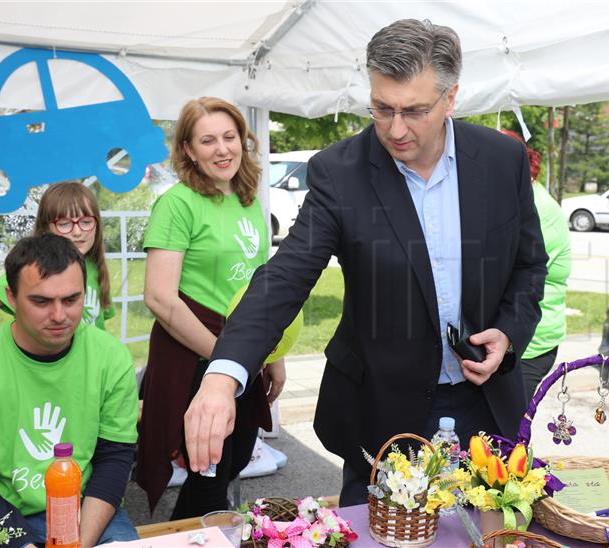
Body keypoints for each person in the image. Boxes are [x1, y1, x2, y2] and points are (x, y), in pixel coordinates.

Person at [184, 19, 549, 506]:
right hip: (380, 412)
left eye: (414, 111)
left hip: (484, 407)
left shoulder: (503, 160)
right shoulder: (340, 172)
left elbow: (529, 268)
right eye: (382, 108)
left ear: (451, 97)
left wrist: (507, 331)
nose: (395, 129)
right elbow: (285, 278)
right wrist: (223, 376)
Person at [0, 234, 139, 546]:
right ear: (11, 298)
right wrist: (24, 543)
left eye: (71, 300)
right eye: (41, 301)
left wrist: (78, 543)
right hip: (2, 514)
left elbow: (115, 459)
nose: (59, 316)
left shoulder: (111, 357)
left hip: (86, 510)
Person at [136, 97, 286, 517]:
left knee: (233, 460)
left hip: (241, 348)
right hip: (196, 353)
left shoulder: (247, 201)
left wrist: (273, 355)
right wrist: (227, 358)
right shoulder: (177, 204)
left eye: (229, 136)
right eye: (207, 140)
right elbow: (160, 297)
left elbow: (262, 287)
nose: (222, 149)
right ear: (188, 150)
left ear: (243, 140)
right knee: (208, 473)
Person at [0, 182, 114, 341]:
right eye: (64, 224)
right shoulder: (33, 273)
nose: (77, 232)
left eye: (86, 222)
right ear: (46, 227)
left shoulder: (93, 267)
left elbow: (98, 327)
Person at [501, 129, 572, 397]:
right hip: (515, 335)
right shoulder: (519, 195)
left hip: (530, 342)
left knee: (509, 431)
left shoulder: (536, 207)